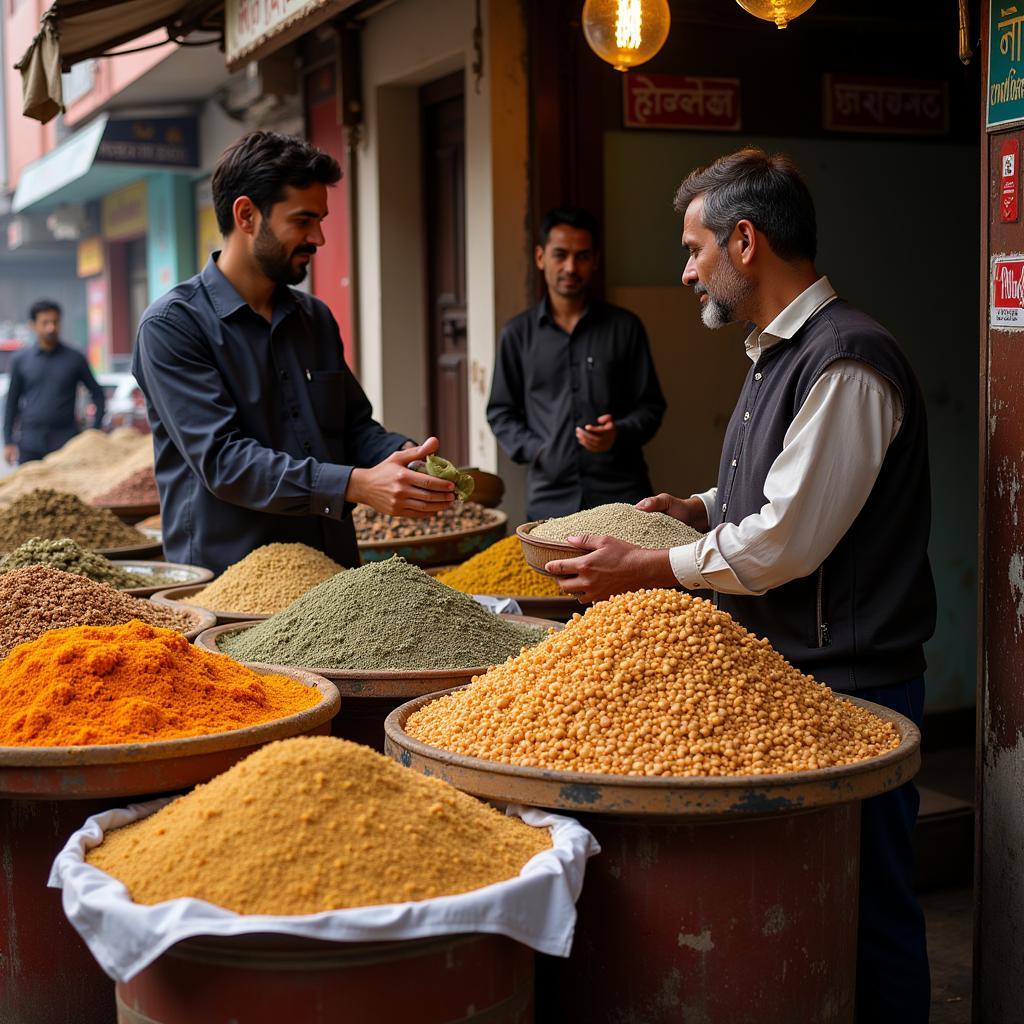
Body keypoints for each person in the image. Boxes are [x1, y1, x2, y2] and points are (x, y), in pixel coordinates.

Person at [546, 149, 934, 1023]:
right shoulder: (777, 353)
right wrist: (698, 505)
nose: (685, 272)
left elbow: (787, 543)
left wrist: (647, 565)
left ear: (745, 241)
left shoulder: (846, 360)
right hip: (800, 672)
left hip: (853, 681)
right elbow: (783, 490)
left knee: (870, 913)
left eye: (693, 249)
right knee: (815, 905)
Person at [133, 131, 454, 575]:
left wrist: (405, 456)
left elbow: (352, 426)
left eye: (320, 220)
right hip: (228, 584)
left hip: (331, 574)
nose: (319, 238)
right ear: (246, 215)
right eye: (303, 221)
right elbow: (224, 461)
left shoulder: (314, 318)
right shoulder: (172, 327)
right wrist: (357, 485)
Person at [486, 207, 666, 520]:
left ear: (595, 260)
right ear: (541, 257)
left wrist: (618, 433)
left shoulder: (625, 327)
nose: (571, 267)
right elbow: (501, 411)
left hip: (622, 495)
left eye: (582, 256)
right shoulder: (517, 334)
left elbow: (651, 407)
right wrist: (538, 450)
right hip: (549, 496)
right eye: (560, 255)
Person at [3, 300, 105, 464]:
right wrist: (8, 441)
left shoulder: (75, 358)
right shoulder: (20, 360)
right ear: (33, 325)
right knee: (29, 488)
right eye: (45, 323)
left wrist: (94, 432)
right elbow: (12, 402)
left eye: (55, 322)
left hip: (67, 443)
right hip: (30, 443)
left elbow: (98, 395)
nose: (51, 328)